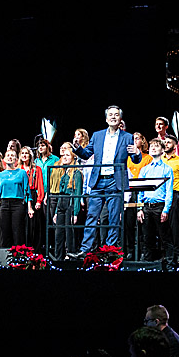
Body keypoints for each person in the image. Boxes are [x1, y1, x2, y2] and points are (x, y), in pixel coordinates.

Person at [71, 106, 143, 257]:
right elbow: (85, 154)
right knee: (92, 216)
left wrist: (137, 152)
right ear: (106, 118)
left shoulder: (127, 137)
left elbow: (135, 160)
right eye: (110, 115)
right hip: (98, 181)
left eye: (116, 115)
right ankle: (85, 249)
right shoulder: (97, 136)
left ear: (120, 119)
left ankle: (110, 250)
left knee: (113, 217)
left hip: (114, 181)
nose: (113, 117)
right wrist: (77, 148)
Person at [137, 139, 175, 265]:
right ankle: (147, 262)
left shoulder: (167, 169)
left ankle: (169, 261)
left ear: (162, 150)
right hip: (147, 207)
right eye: (152, 146)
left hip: (159, 207)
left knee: (164, 236)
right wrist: (139, 208)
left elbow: (169, 191)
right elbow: (140, 192)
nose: (153, 148)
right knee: (147, 237)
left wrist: (166, 209)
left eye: (157, 146)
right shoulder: (144, 170)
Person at [0, 148, 34, 249]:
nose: (10, 157)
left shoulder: (22, 173)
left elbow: (26, 191)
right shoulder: (0, 175)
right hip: (4, 205)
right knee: (4, 233)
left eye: (12, 155)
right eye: (8, 155)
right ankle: (5, 260)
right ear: (4, 159)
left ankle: (18, 259)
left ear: (16, 159)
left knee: (18, 232)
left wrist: (30, 207)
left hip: (18, 204)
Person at [48, 142, 83, 262]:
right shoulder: (64, 173)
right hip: (61, 204)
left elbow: (77, 194)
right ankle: (58, 258)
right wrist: (57, 212)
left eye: (68, 155)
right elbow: (60, 193)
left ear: (73, 158)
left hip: (70, 203)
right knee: (59, 234)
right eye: (64, 156)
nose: (65, 157)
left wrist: (75, 213)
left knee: (69, 234)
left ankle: (71, 257)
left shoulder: (77, 173)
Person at [124, 132, 153, 257]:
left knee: (142, 223)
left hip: (142, 191)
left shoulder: (147, 158)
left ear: (142, 141)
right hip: (129, 191)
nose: (134, 141)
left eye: (137, 138)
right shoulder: (127, 158)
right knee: (129, 222)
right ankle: (130, 250)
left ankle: (143, 251)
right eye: (133, 139)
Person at [160, 136, 179, 260]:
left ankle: (178, 254)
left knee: (174, 226)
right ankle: (166, 254)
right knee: (162, 226)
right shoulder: (160, 160)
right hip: (160, 195)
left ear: (175, 145)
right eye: (165, 142)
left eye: (169, 142)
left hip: (174, 194)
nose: (166, 144)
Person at [35, 139, 60, 254]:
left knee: (52, 219)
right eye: (39, 146)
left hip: (52, 193)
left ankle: (54, 246)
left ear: (48, 146)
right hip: (39, 194)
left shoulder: (55, 159)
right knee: (42, 221)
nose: (40, 148)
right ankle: (43, 245)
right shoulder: (36, 161)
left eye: (43, 145)